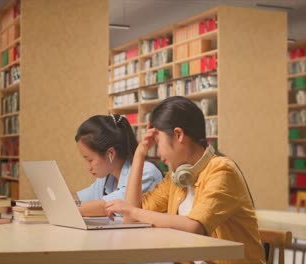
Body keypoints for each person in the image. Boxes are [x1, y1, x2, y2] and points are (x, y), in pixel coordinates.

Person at [105, 97, 266, 264]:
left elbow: (194, 226)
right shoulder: (175, 179)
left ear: (178, 135)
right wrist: (139, 154)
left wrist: (133, 212)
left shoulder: (222, 170)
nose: (158, 153)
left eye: (158, 142)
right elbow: (131, 221)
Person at [74, 114, 163, 217]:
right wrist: (67, 202)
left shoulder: (146, 171)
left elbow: (106, 207)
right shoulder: (107, 176)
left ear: (110, 153)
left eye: (90, 160)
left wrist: (70, 207)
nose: (88, 167)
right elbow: (81, 200)